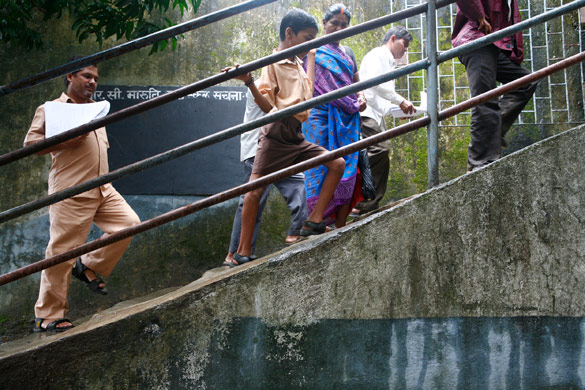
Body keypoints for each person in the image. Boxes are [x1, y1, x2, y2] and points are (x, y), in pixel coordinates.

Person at [223, 8, 345, 267]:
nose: (310, 43)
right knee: (254, 193)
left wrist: (310, 56)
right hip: (275, 134)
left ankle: (313, 220)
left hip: (296, 136)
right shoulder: (273, 62)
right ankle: (241, 252)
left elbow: (309, 96)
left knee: (337, 163)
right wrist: (249, 82)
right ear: (289, 34)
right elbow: (268, 106)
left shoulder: (298, 63)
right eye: (307, 38)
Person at [24, 61, 140, 332]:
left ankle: (86, 264)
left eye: (96, 78)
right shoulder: (52, 108)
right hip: (72, 190)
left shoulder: (96, 109)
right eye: (87, 76)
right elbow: (30, 144)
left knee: (129, 224)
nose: (92, 82)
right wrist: (66, 141)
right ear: (70, 76)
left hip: (103, 188)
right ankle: (48, 316)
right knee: (60, 253)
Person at [223, 85, 309, 267]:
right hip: (257, 149)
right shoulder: (264, 83)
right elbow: (271, 109)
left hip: (281, 150)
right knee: (253, 200)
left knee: (299, 184)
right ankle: (234, 253)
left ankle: (296, 232)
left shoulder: (289, 81)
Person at [452, 0, 539, 172]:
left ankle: (492, 135)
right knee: (485, 100)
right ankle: (480, 163)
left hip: (492, 42)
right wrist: (479, 16)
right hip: (476, 40)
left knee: (525, 82)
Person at [302, 3, 367, 228]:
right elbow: (306, 87)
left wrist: (361, 97)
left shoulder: (348, 53)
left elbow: (357, 83)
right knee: (320, 167)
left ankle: (340, 224)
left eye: (344, 25)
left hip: (347, 118)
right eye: (334, 24)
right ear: (324, 24)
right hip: (318, 117)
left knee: (349, 168)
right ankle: (317, 219)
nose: (339, 28)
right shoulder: (312, 50)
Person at [351, 26, 415, 217]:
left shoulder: (389, 62)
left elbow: (382, 98)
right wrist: (401, 101)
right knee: (380, 149)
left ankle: (365, 203)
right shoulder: (380, 54)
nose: (405, 50)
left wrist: (397, 109)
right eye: (404, 44)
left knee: (380, 154)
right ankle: (359, 200)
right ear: (393, 38)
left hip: (374, 114)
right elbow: (374, 84)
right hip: (366, 113)